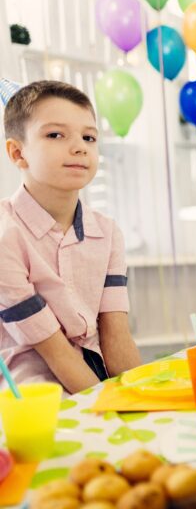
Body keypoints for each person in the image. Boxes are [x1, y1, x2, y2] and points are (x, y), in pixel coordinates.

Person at [0, 79, 141, 394]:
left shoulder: (107, 232)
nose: (79, 146)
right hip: (31, 384)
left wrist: (142, 395)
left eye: (89, 137)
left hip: (95, 372)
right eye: (55, 135)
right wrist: (110, 406)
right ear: (17, 153)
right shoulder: (6, 236)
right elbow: (55, 351)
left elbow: (116, 335)